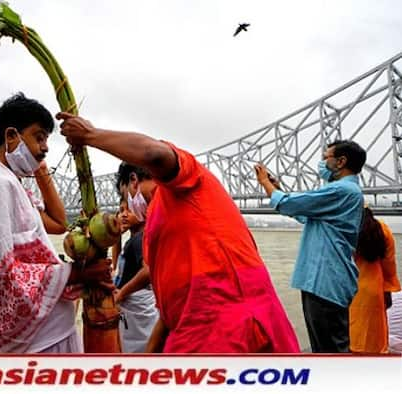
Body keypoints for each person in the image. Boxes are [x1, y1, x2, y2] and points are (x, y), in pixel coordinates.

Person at [58, 112, 299, 353]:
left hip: (230, 329)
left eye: (125, 196)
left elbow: (155, 154)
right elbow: (169, 306)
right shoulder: (154, 229)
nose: (127, 206)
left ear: (133, 181)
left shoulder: (183, 182)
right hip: (194, 331)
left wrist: (90, 136)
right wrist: (150, 357)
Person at [0, 93, 112, 353]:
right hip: (38, 347)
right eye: (39, 137)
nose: (45, 147)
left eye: (47, 139)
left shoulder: (8, 182)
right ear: (11, 136)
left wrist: (37, 161)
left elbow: (59, 222)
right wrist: (76, 274)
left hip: (44, 338)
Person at [255, 140, 366, 353]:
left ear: (341, 161)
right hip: (321, 281)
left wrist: (265, 184)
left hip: (326, 281)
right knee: (323, 348)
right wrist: (278, 189)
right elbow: (305, 216)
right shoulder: (345, 191)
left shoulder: (343, 190)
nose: (322, 162)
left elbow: (288, 204)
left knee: (330, 350)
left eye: (326, 157)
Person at [112, 181, 158, 353]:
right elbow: (118, 269)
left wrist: (121, 293)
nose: (123, 215)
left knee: (137, 350)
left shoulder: (140, 240)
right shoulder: (133, 239)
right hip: (134, 310)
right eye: (120, 211)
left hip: (138, 309)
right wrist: (116, 234)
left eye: (128, 210)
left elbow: (148, 271)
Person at [349, 206, 400, 353]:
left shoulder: (346, 229)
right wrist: (389, 290)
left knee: (351, 336)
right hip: (374, 291)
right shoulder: (382, 229)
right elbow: (389, 265)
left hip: (349, 290)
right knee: (374, 339)